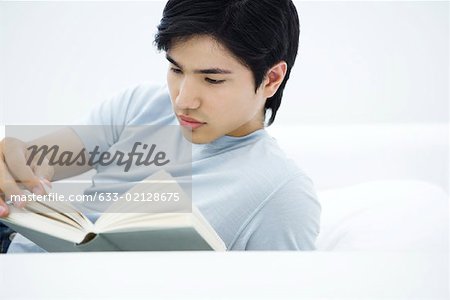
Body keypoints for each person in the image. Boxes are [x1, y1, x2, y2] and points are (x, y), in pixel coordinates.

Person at [0, 0, 320, 251]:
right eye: (176, 69)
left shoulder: (283, 194)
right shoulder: (141, 104)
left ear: (271, 79)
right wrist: (15, 163)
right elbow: (39, 160)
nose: (183, 100)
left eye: (212, 79)